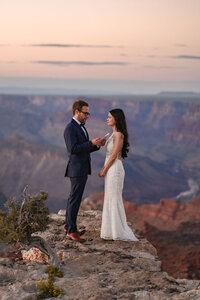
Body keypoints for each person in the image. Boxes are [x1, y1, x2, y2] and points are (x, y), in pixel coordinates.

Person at [64, 99, 105, 242]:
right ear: (77, 112)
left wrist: (97, 145)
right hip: (76, 169)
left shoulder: (81, 126)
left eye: (88, 113)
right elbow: (73, 149)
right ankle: (71, 231)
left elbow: (83, 148)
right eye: (85, 113)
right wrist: (90, 143)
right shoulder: (70, 128)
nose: (88, 116)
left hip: (81, 168)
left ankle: (68, 226)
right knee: (74, 200)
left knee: (73, 198)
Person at [99, 108, 138, 241]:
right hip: (111, 169)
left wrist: (104, 170)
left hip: (114, 169)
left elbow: (114, 155)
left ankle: (117, 231)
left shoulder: (118, 135)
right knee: (109, 196)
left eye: (110, 117)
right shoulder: (112, 134)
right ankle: (109, 230)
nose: (107, 119)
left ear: (116, 118)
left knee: (114, 197)